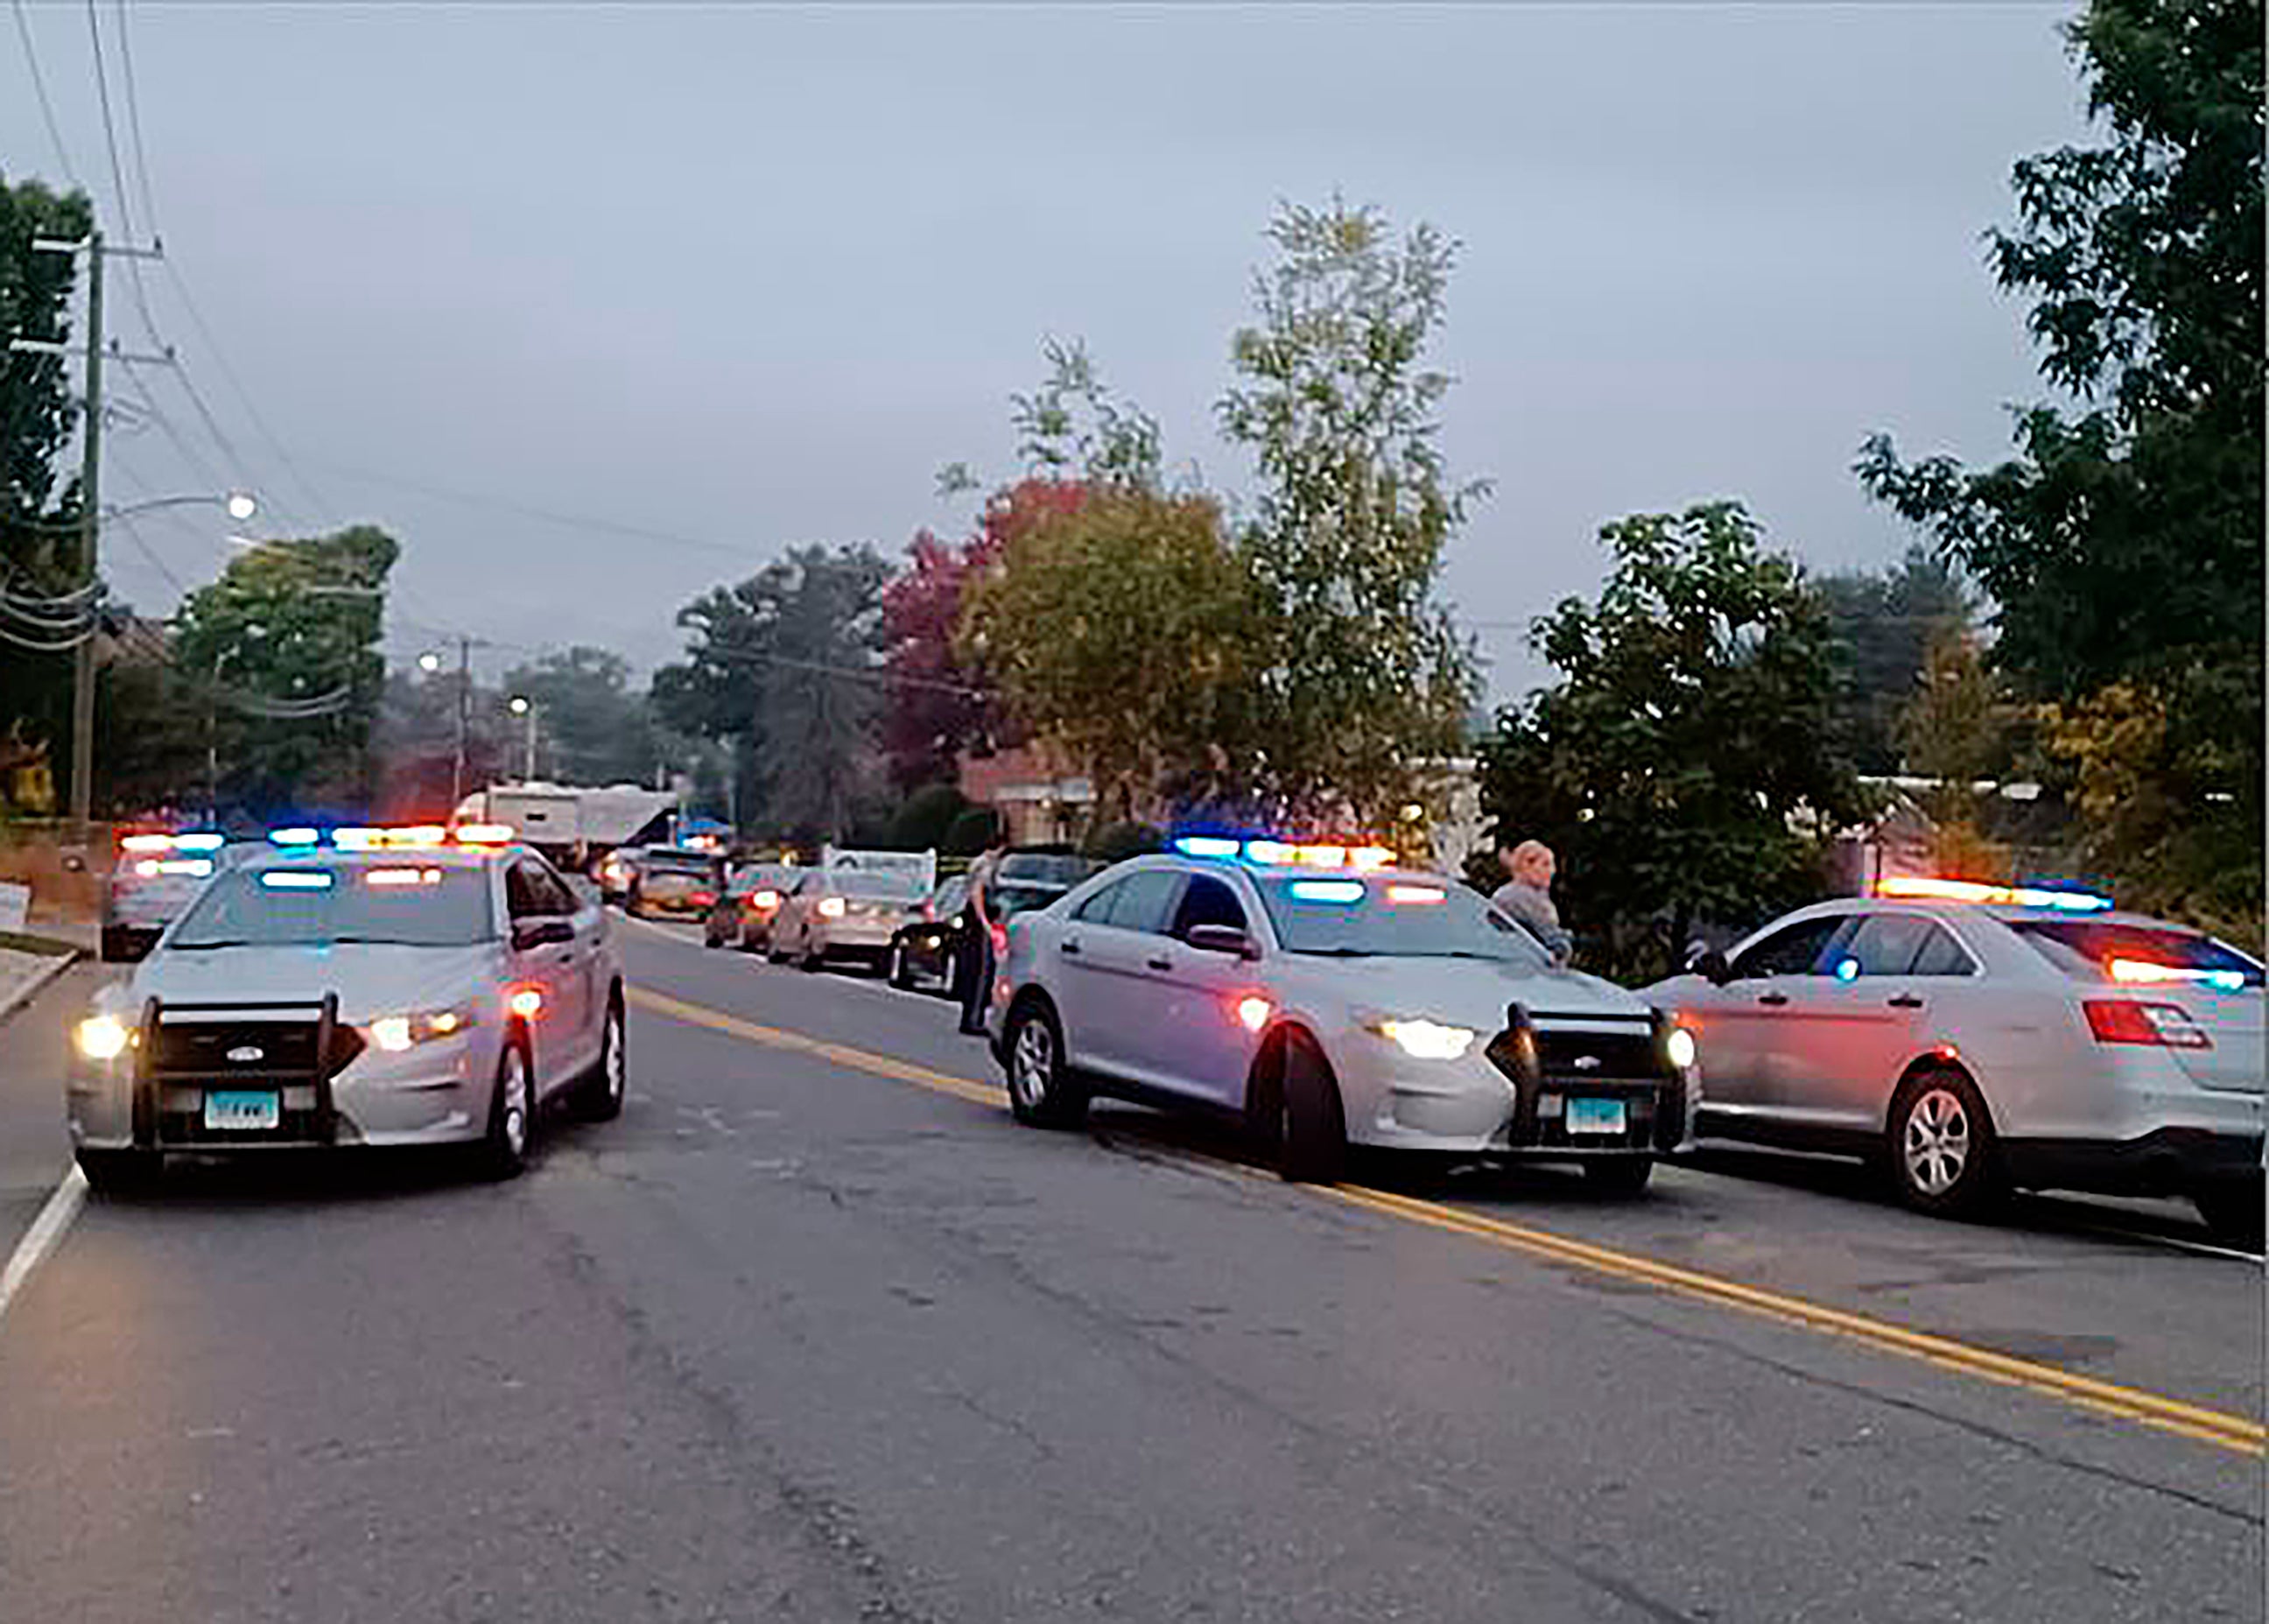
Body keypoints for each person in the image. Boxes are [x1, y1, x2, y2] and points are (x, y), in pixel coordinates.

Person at [956, 826, 1010, 1034]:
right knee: (980, 973)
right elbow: (977, 895)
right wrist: (986, 924)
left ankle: (970, 1017)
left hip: (974, 923)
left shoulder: (978, 863)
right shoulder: (985, 866)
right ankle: (973, 1019)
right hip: (978, 926)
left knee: (976, 972)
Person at [1491, 839, 1573, 967]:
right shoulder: (1520, 896)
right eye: (1545, 864)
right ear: (1526, 865)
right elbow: (1549, 937)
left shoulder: (1515, 893)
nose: (1552, 871)